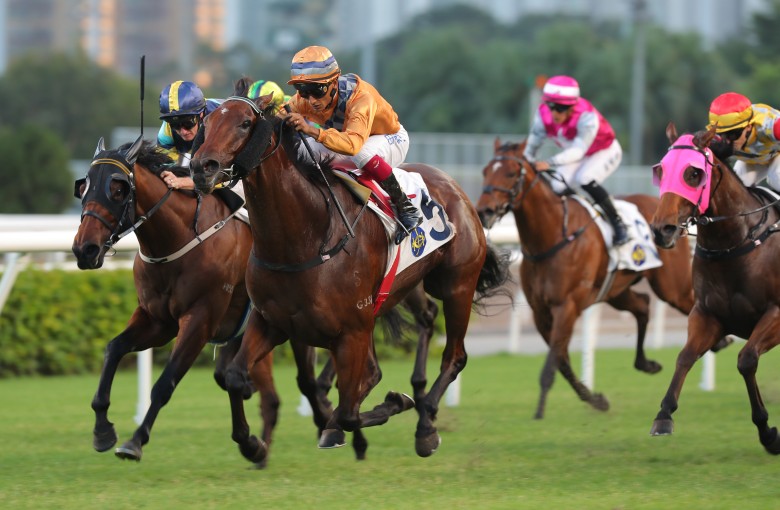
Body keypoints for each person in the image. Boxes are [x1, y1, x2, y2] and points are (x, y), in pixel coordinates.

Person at [283, 45, 422, 244]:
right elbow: (278, 116)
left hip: (389, 138)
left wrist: (312, 130)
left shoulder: (361, 97)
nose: (311, 100)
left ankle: (406, 207)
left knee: (362, 153)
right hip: (347, 140)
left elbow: (352, 145)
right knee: (301, 151)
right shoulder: (304, 100)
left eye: (316, 90)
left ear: (334, 82)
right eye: (302, 91)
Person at [522, 75, 629, 246]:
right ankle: (567, 224)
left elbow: (577, 152)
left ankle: (618, 223)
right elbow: (532, 146)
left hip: (604, 151)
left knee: (584, 178)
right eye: (551, 106)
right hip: (576, 153)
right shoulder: (542, 115)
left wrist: (548, 163)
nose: (555, 113)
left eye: (561, 108)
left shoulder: (586, 116)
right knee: (556, 186)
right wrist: (525, 163)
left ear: (573, 106)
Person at [707, 91, 780, 191]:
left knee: (776, 178)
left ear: (748, 127)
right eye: (722, 135)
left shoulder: (770, 126)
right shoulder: (714, 140)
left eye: (732, 134)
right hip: (753, 161)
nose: (727, 141)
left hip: (777, 155)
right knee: (733, 189)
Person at [157, 80, 222, 190]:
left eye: (188, 123)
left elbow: (221, 178)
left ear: (201, 114)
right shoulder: (166, 131)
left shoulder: (219, 122)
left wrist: (182, 182)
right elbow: (165, 167)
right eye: (175, 125)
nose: (183, 131)